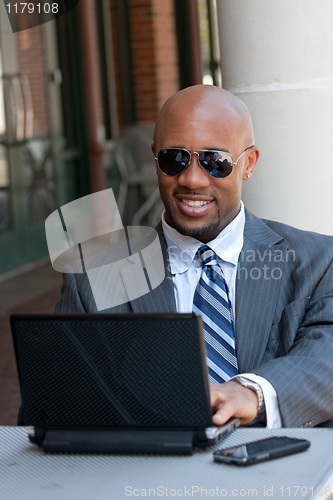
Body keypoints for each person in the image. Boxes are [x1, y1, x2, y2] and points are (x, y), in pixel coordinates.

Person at [56, 84, 333, 429]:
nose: (191, 179)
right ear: (155, 156)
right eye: (175, 159)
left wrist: (252, 394)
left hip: (281, 470)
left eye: (215, 162)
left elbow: (327, 354)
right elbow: (60, 400)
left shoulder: (320, 260)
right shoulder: (93, 276)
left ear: (249, 163)